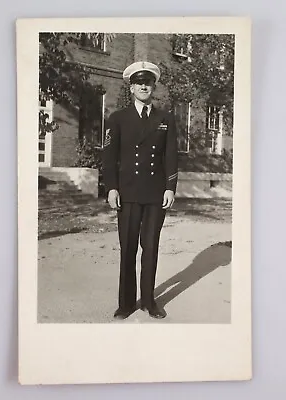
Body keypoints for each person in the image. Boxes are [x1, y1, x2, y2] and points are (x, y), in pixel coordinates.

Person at [102, 61, 178, 320]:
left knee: (151, 247)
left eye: (148, 83)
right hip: (128, 193)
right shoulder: (118, 118)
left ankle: (148, 301)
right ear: (131, 87)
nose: (144, 86)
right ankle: (126, 303)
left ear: (153, 86)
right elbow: (109, 157)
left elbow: (170, 155)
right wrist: (111, 187)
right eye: (139, 83)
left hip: (156, 194)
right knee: (128, 248)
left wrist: (170, 187)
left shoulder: (165, 118)